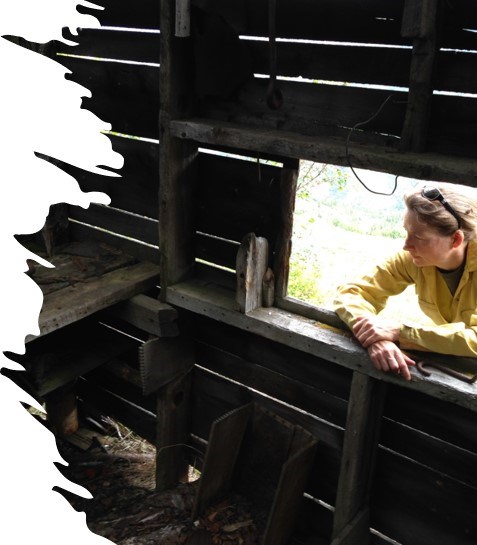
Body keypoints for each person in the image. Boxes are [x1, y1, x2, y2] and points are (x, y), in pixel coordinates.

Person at [333, 182, 477, 381]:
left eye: (418, 237)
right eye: (407, 232)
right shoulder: (413, 259)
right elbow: (352, 292)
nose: (406, 245)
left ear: (456, 240)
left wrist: (401, 333)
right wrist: (375, 338)